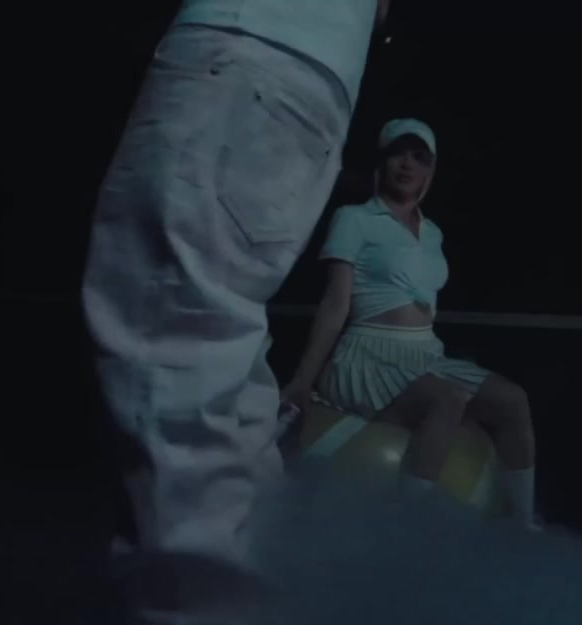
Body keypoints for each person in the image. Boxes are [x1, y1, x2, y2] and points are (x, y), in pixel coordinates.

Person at [82, 0, 391, 565]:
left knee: (173, 346)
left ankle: (200, 617)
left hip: (243, 46)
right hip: (314, 74)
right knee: (224, 370)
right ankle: (267, 594)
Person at [281, 119, 540, 528]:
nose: (407, 164)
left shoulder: (432, 232)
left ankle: (524, 524)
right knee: (447, 399)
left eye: (420, 157)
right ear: (382, 160)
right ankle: (408, 530)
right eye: (398, 153)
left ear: (430, 170)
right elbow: (334, 304)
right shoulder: (354, 219)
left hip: (424, 353)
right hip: (369, 355)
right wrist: (303, 379)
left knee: (514, 401)